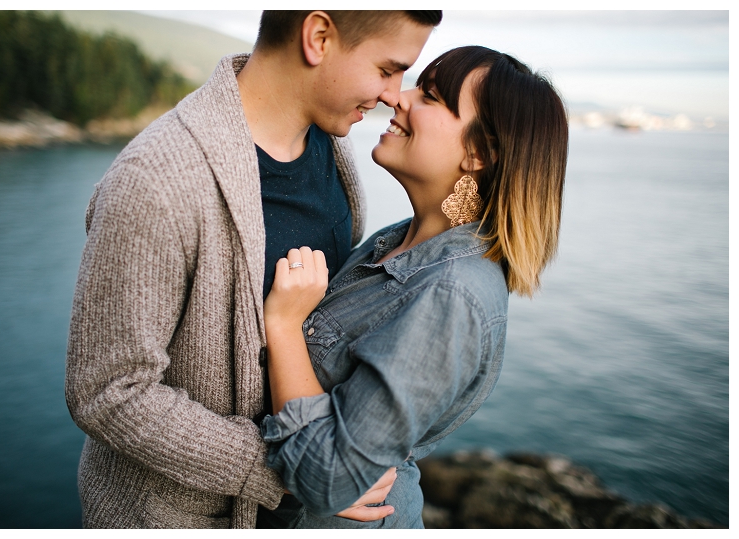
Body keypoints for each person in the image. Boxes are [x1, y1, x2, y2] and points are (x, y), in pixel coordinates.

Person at [64, 11, 441, 529]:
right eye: (387, 69)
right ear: (319, 38)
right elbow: (107, 393)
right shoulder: (155, 180)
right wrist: (296, 468)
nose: (396, 94)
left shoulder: (330, 146)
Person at [260, 45, 569, 528]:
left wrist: (282, 325)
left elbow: (329, 480)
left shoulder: (453, 294)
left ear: (479, 152)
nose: (398, 97)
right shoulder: (395, 240)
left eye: (430, 96)